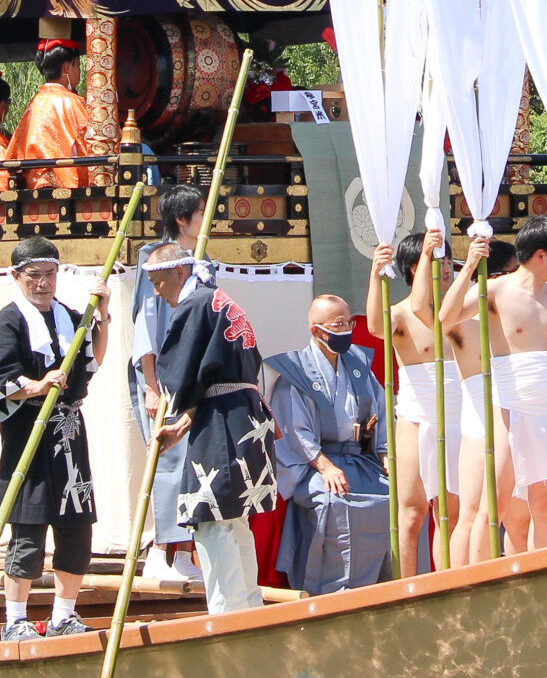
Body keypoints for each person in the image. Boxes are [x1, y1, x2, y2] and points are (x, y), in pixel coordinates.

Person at [0, 236, 103, 639]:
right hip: (29, 431)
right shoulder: (7, 321)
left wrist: (105, 313)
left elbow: (92, 360)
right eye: (34, 276)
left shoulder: (69, 315)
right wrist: (36, 386)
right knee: (27, 528)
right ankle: (15, 620)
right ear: (17, 276)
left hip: (69, 434)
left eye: (50, 275)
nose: (43, 283)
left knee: (76, 525)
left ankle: (64, 614)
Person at [154, 236, 279, 615]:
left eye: (159, 281)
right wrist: (184, 421)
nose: (158, 292)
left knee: (212, 517)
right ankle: (248, 605)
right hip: (242, 412)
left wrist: (173, 403)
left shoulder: (196, 304)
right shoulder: (219, 299)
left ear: (179, 271)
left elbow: (180, 372)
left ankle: (229, 612)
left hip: (224, 422)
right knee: (235, 518)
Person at [445, 215, 547, 553]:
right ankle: (477, 584)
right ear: (540, 256)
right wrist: (470, 264)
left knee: (544, 507)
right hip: (506, 407)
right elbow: (446, 317)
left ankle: (543, 580)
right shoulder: (496, 289)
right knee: (494, 506)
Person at [367, 224, 482, 572]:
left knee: (451, 510)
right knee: (411, 512)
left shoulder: (463, 308)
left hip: (460, 414)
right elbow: (374, 326)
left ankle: (447, 582)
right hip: (417, 416)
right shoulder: (402, 312)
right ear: (416, 267)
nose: (445, 267)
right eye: (436, 260)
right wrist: (375, 274)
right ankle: (406, 587)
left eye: (447, 260)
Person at [266, 294, 392, 592]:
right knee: (335, 503)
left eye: (349, 322)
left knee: (397, 498)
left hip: (361, 461)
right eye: (339, 324)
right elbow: (294, 432)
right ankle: (329, 587)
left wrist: (385, 454)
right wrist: (324, 467)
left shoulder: (359, 366)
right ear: (316, 330)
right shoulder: (296, 375)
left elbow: (381, 411)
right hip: (317, 466)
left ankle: (386, 583)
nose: (347, 329)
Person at [129, 236, 204, 583]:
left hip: (192, 377)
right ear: (182, 219)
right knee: (167, 462)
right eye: (200, 212)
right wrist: (150, 384)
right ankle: (160, 549)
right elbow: (146, 327)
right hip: (163, 377)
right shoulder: (155, 263)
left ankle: (186, 552)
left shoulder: (199, 267)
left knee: (194, 463)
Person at [437, 232, 506, 568]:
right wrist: (470, 267)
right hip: (479, 417)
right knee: (472, 509)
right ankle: (461, 580)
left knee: (517, 513)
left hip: (517, 413)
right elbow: (442, 314)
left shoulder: (517, 311)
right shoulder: (466, 317)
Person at [8, 28, 97, 190]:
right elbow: (92, 146)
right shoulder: (74, 103)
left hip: (34, 190)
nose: (79, 72)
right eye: (77, 65)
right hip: (70, 191)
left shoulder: (32, 106)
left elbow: (14, 155)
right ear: (66, 68)